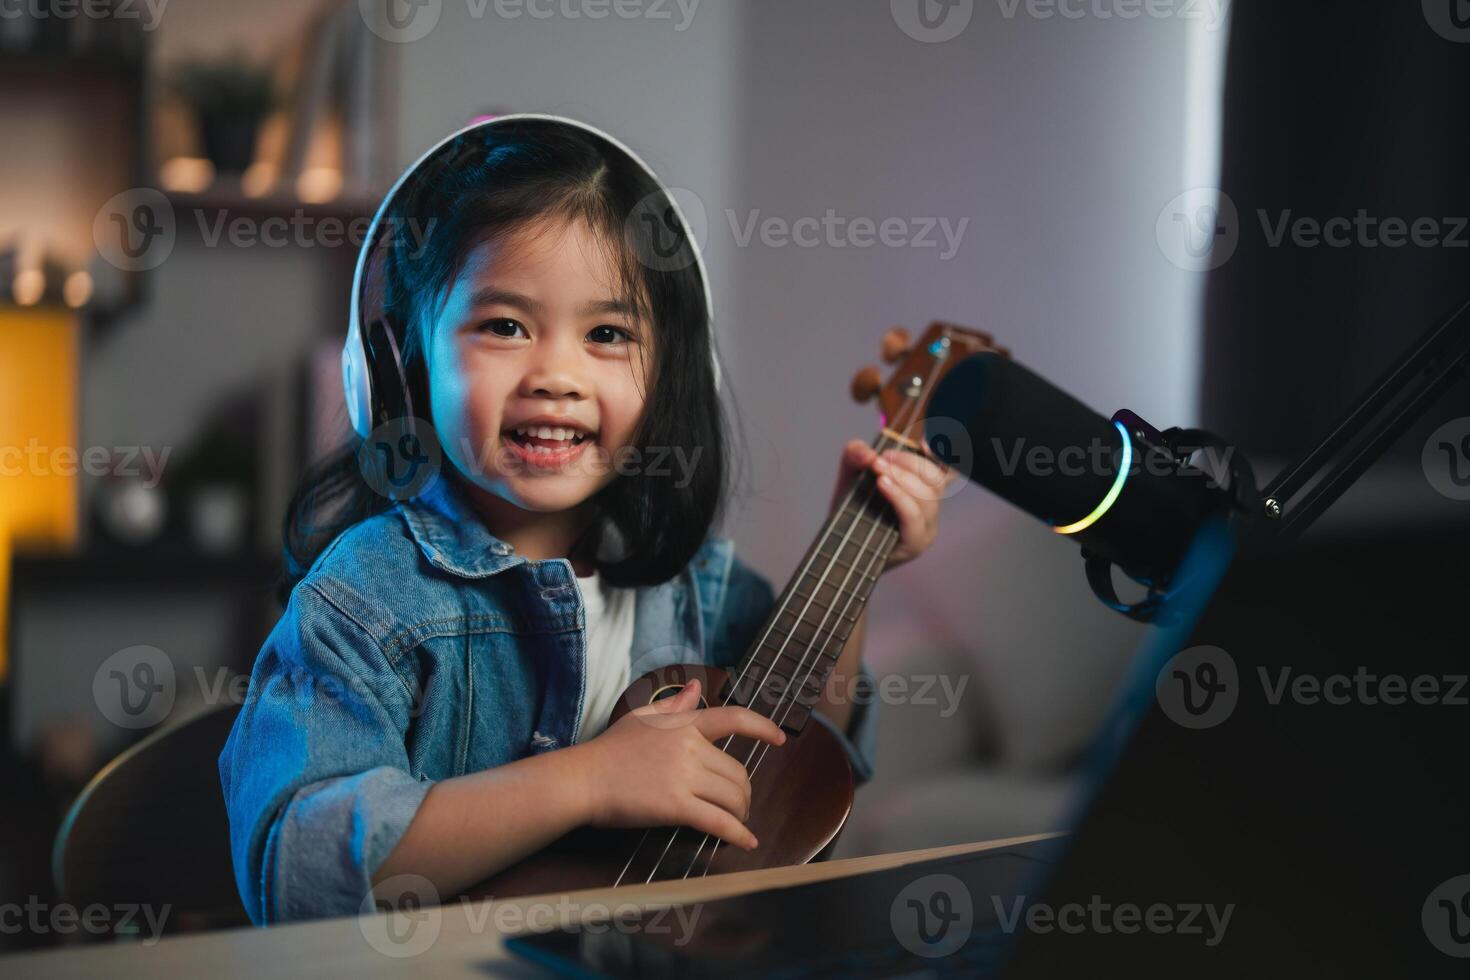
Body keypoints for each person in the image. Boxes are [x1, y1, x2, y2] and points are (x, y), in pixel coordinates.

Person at [218, 115, 950, 924]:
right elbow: (298, 870)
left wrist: (861, 559)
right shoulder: (364, 599)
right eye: (504, 326)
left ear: (670, 377)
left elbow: (797, 760)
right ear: (400, 371)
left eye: (607, 333)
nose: (557, 375)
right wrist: (590, 779)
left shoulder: (698, 587)